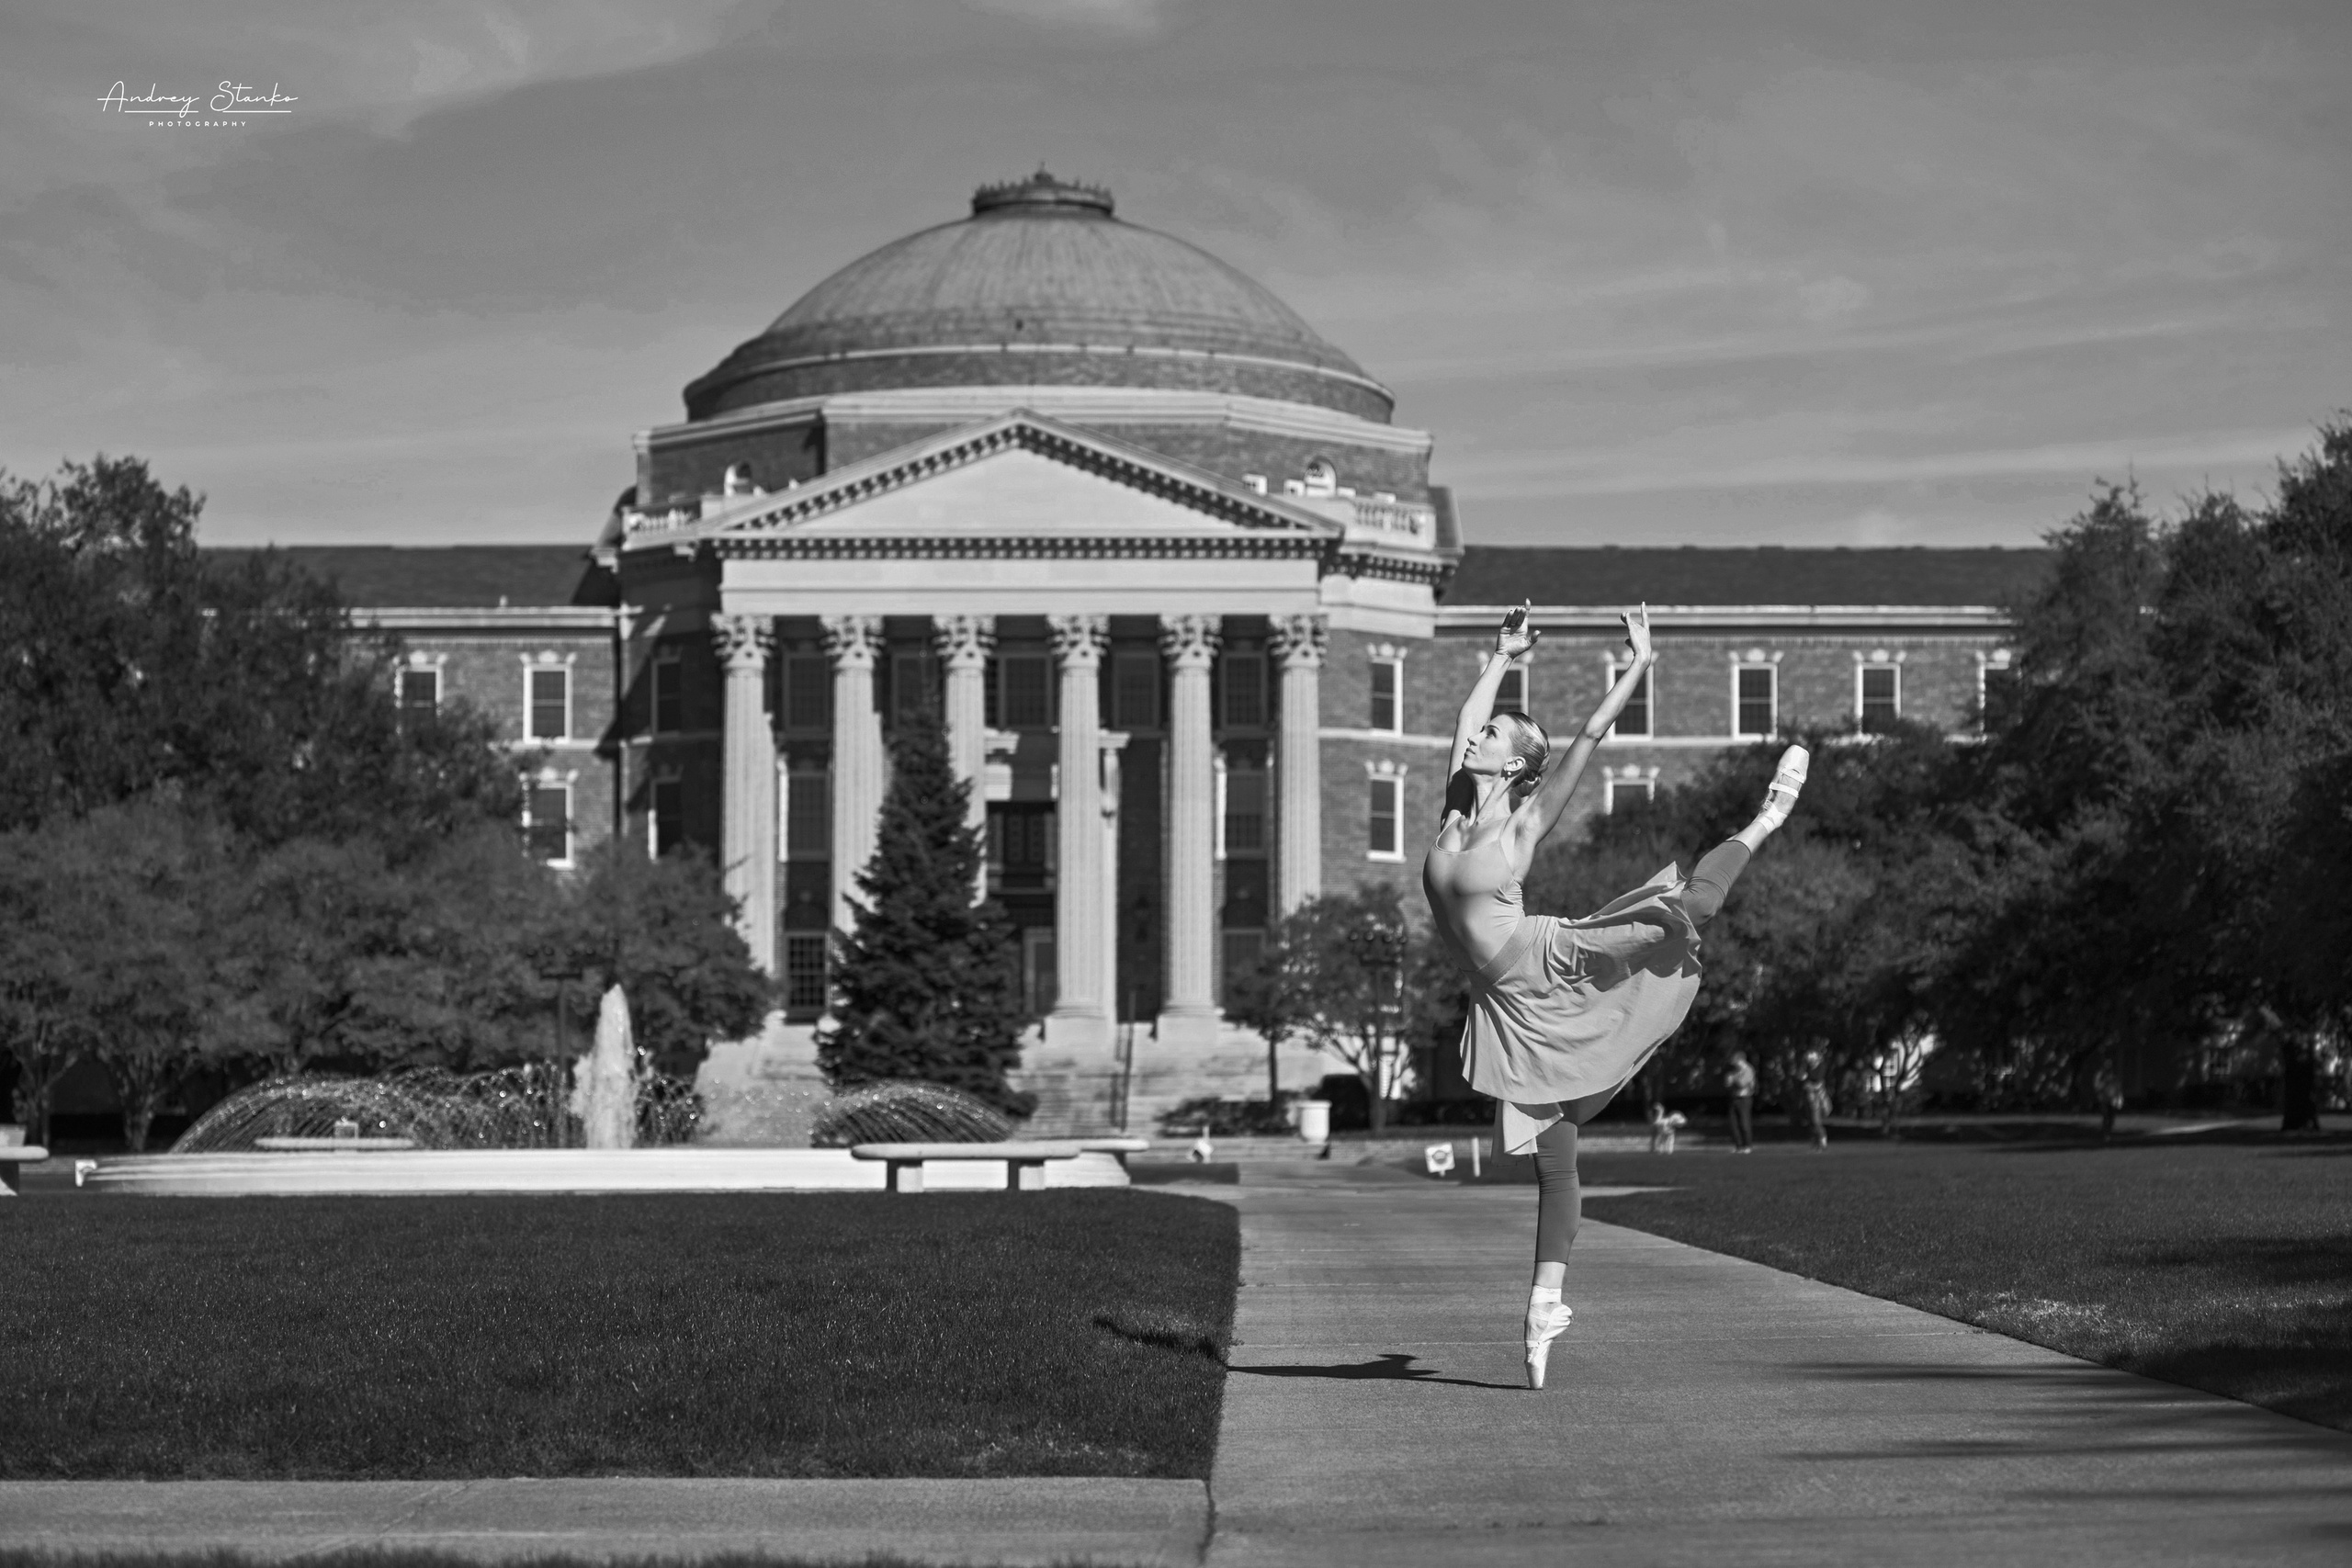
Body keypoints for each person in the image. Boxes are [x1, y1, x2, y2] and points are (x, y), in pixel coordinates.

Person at [1423, 602, 1808, 1389]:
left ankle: (1766, 818)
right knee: (1557, 1160)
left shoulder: (1520, 828)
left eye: (1495, 735)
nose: (1477, 735)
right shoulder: (1456, 811)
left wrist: (1638, 664)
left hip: (1549, 957)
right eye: (1483, 730)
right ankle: (1543, 1309)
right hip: (1503, 1004)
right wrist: (1500, 653)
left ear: (1519, 764)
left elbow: (1588, 740)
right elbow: (1465, 714)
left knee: (1687, 911)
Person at [1724, 1051, 1758, 1153]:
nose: (1734, 1064)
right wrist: (1731, 1080)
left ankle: (1747, 1146)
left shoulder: (1748, 1070)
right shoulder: (1735, 1071)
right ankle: (1738, 1146)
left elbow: (1742, 1083)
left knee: (1744, 1123)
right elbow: (1727, 1084)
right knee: (1733, 1123)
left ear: (1741, 1060)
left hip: (1744, 1099)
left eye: (1735, 1061)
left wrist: (1733, 1078)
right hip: (1734, 1098)